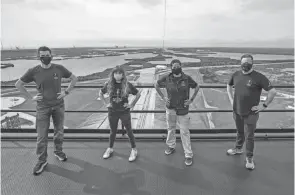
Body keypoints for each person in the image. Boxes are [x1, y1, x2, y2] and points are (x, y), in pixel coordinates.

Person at [15, 46, 78, 175]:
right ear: (39, 57)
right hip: (42, 107)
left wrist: (66, 92)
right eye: (42, 55)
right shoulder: (33, 71)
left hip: (59, 105)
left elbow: (74, 79)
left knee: (59, 131)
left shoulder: (59, 68)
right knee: (41, 136)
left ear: (51, 55)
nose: (45, 57)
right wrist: (31, 97)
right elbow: (18, 84)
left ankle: (58, 152)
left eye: (47, 55)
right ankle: (42, 160)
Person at [226, 54, 277, 170]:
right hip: (237, 111)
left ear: (252, 63)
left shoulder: (259, 77)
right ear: (240, 63)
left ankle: (249, 158)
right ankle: (238, 149)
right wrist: (230, 99)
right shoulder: (236, 74)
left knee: (249, 136)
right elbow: (228, 86)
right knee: (240, 132)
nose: (245, 64)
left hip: (251, 114)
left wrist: (263, 106)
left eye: (248, 62)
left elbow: (273, 91)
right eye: (244, 62)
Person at [155, 59, 200, 166]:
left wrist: (191, 100)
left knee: (184, 132)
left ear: (181, 66)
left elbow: (197, 86)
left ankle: (188, 155)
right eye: (174, 66)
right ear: (171, 68)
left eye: (177, 66)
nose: (176, 68)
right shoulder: (167, 77)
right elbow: (156, 85)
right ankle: (171, 146)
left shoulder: (186, 78)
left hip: (183, 109)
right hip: (170, 108)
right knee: (171, 129)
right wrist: (163, 98)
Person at [99, 66, 141, 162]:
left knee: (129, 131)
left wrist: (131, 104)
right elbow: (100, 93)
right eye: (116, 73)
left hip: (124, 112)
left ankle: (134, 150)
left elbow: (138, 94)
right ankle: (110, 148)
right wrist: (106, 104)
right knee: (112, 132)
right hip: (112, 112)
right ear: (113, 75)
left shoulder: (127, 85)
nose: (117, 75)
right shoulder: (109, 84)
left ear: (122, 75)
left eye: (120, 73)